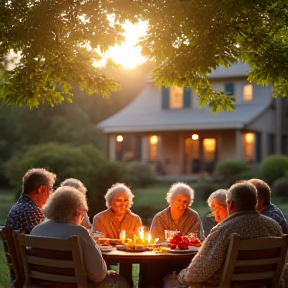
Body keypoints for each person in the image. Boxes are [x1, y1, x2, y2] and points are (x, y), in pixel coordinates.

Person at [166, 182, 283, 288]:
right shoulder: (274, 227)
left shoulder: (224, 230)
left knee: (170, 283)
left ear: (230, 205)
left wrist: (179, 277)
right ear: (255, 202)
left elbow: (198, 273)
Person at [31, 186, 129, 288]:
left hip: (42, 285)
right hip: (75, 286)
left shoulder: (37, 230)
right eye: (82, 213)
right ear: (77, 212)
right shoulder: (79, 232)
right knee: (122, 282)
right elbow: (98, 275)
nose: (82, 217)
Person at [5, 168, 56, 234]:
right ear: (41, 189)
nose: (51, 192)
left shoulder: (18, 206)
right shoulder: (32, 211)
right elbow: (43, 239)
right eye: (50, 188)